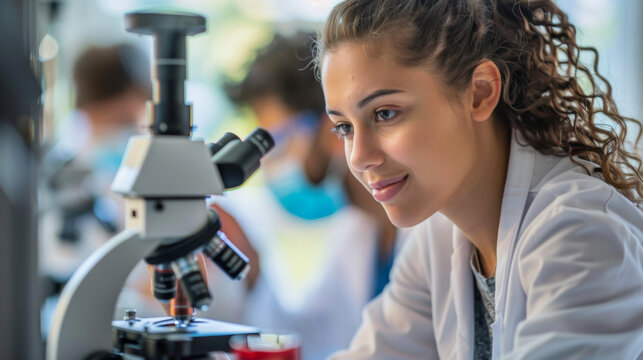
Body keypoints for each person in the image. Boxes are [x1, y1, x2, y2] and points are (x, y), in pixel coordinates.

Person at [314, 0, 643, 359]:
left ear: (480, 93)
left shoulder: (579, 232)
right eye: (344, 127)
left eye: (385, 113)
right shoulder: (435, 241)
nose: (359, 158)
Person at [199, 32, 404, 359]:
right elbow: (312, 339)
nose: (267, 165)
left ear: (331, 125)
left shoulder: (422, 227)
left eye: (277, 140)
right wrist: (253, 269)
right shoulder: (354, 232)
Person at [40, 43, 151, 336]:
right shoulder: (64, 184)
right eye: (122, 121)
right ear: (88, 111)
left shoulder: (138, 175)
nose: (130, 131)